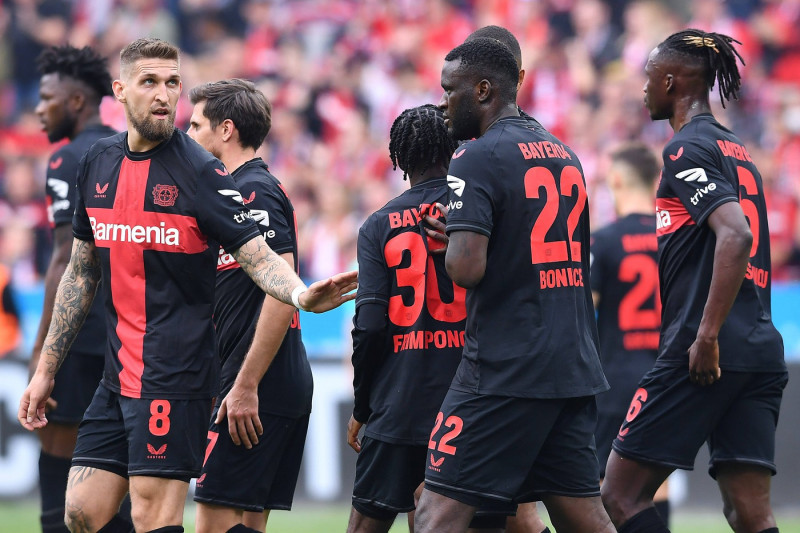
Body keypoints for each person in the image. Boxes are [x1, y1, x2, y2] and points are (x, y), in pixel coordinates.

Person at [18, 38, 356, 533]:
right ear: (120, 90)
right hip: (116, 376)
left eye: (172, 82)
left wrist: (300, 294)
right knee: (82, 513)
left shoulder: (203, 172)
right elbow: (81, 271)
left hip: (176, 379)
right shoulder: (97, 164)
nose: (163, 94)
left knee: (157, 515)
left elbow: (258, 255)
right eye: (150, 82)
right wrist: (46, 368)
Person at [413, 37, 613, 533]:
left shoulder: (475, 158)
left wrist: (451, 243)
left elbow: (467, 269)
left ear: (483, 90)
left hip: (506, 368)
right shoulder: (564, 154)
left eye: (450, 89)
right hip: (571, 364)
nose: (443, 102)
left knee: (434, 517)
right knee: (585, 519)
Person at [601, 30, 787, 533]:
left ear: (670, 81)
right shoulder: (737, 149)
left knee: (618, 495)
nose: (642, 90)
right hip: (760, 348)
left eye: (647, 79)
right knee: (749, 512)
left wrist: (704, 337)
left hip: (704, 349)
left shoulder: (686, 150)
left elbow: (737, 236)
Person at [346, 104, 518, 533]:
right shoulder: (480, 208)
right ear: (454, 146)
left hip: (398, 403)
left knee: (367, 524)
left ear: (399, 160)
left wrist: (364, 405)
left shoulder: (377, 225)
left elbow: (369, 327)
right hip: (474, 399)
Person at [186, 79, 313, 533]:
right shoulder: (234, 191)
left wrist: (244, 385)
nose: (188, 134)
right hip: (264, 380)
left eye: (195, 125)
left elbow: (283, 289)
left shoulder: (250, 191)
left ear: (226, 130)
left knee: (213, 523)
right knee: (245, 524)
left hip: (257, 384)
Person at [31, 44, 129, 533]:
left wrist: (40, 354)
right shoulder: (126, 149)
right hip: (127, 332)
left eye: (47, 97)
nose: (37, 108)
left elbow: (63, 259)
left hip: (80, 333)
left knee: (59, 460)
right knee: (117, 465)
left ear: (75, 101)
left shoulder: (66, 158)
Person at [589, 143, 670, 525]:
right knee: (656, 485)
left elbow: (584, 312)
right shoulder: (673, 238)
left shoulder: (603, 241)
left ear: (617, 179)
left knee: (607, 485)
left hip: (615, 376)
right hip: (663, 376)